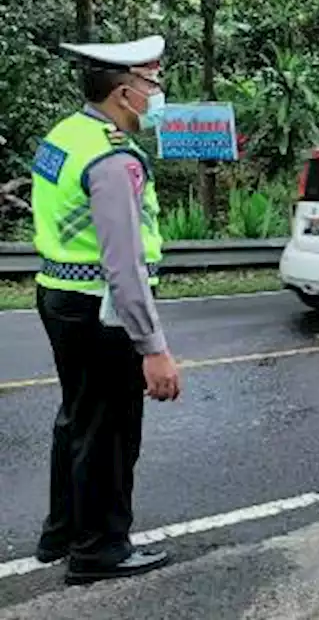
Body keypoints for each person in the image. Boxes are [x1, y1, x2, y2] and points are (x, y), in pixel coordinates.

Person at [30, 35, 181, 585]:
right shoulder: (114, 159)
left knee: (79, 417)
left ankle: (64, 530)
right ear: (125, 92)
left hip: (59, 294)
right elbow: (125, 265)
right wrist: (153, 347)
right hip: (102, 307)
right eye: (153, 84)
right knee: (112, 430)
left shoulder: (66, 134)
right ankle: (100, 550)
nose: (157, 94)